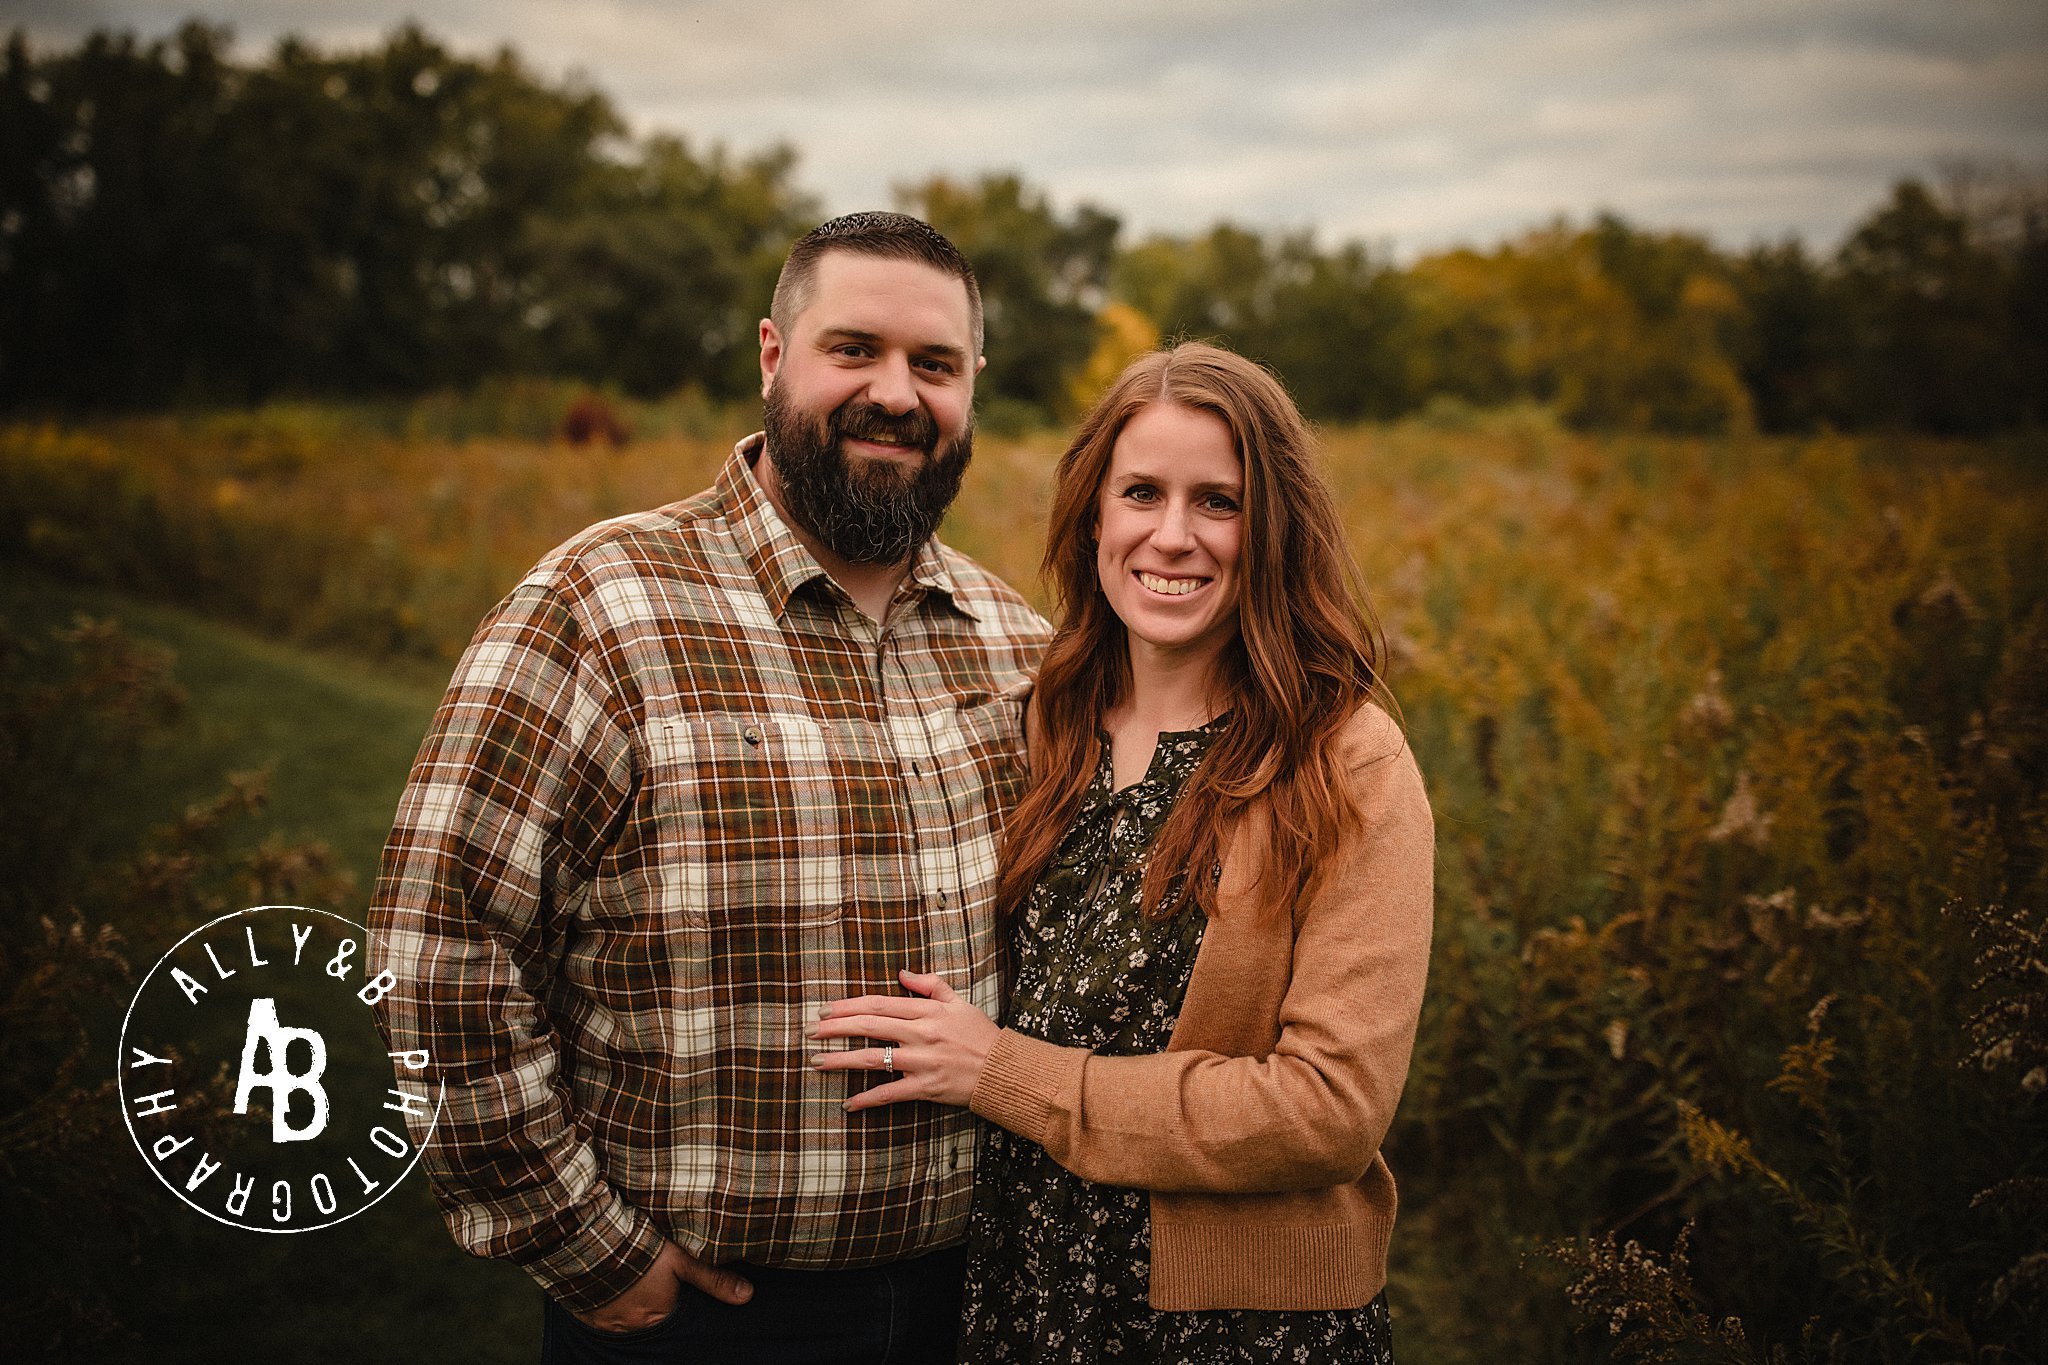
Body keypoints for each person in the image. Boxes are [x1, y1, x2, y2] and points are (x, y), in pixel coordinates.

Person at [368, 211, 1053, 1365]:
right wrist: (583, 1246)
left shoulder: (1017, 644)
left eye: (932, 364)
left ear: (972, 387)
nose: (895, 393)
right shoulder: (600, 605)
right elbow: (439, 948)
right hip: (702, 1320)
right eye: (854, 350)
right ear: (773, 358)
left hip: (976, 1307)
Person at [810, 342, 1435, 1362]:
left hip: (1231, 1325)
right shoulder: (1043, 724)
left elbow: (1329, 1111)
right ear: (1093, 514)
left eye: (1218, 503)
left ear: (1273, 527)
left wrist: (1006, 1074)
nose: (1173, 537)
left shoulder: (1342, 758)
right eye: (1140, 492)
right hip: (1027, 1291)